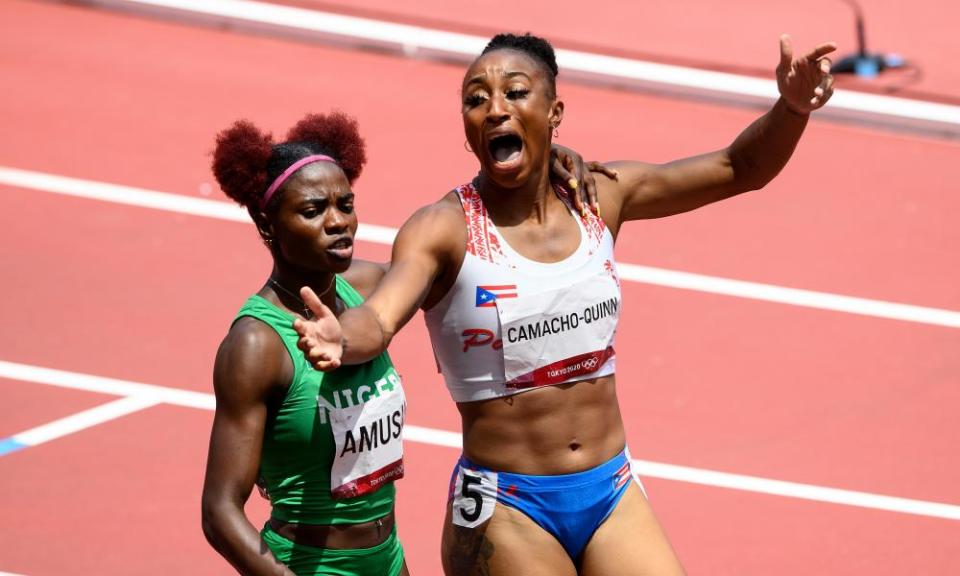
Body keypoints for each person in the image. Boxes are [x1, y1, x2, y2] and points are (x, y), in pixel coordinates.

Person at [293, 32, 835, 575]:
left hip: (611, 489)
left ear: (554, 112)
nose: (495, 108)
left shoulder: (600, 197)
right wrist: (343, 337)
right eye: (475, 99)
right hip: (508, 505)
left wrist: (791, 108)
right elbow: (381, 316)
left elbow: (738, 168)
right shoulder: (442, 228)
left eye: (515, 92)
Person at [200, 112, 410, 576]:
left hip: (389, 558)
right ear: (267, 223)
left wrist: (545, 165)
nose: (338, 222)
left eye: (346, 204)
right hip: (310, 566)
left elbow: (441, 261)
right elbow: (219, 511)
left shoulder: (367, 287)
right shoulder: (257, 344)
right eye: (313, 211)